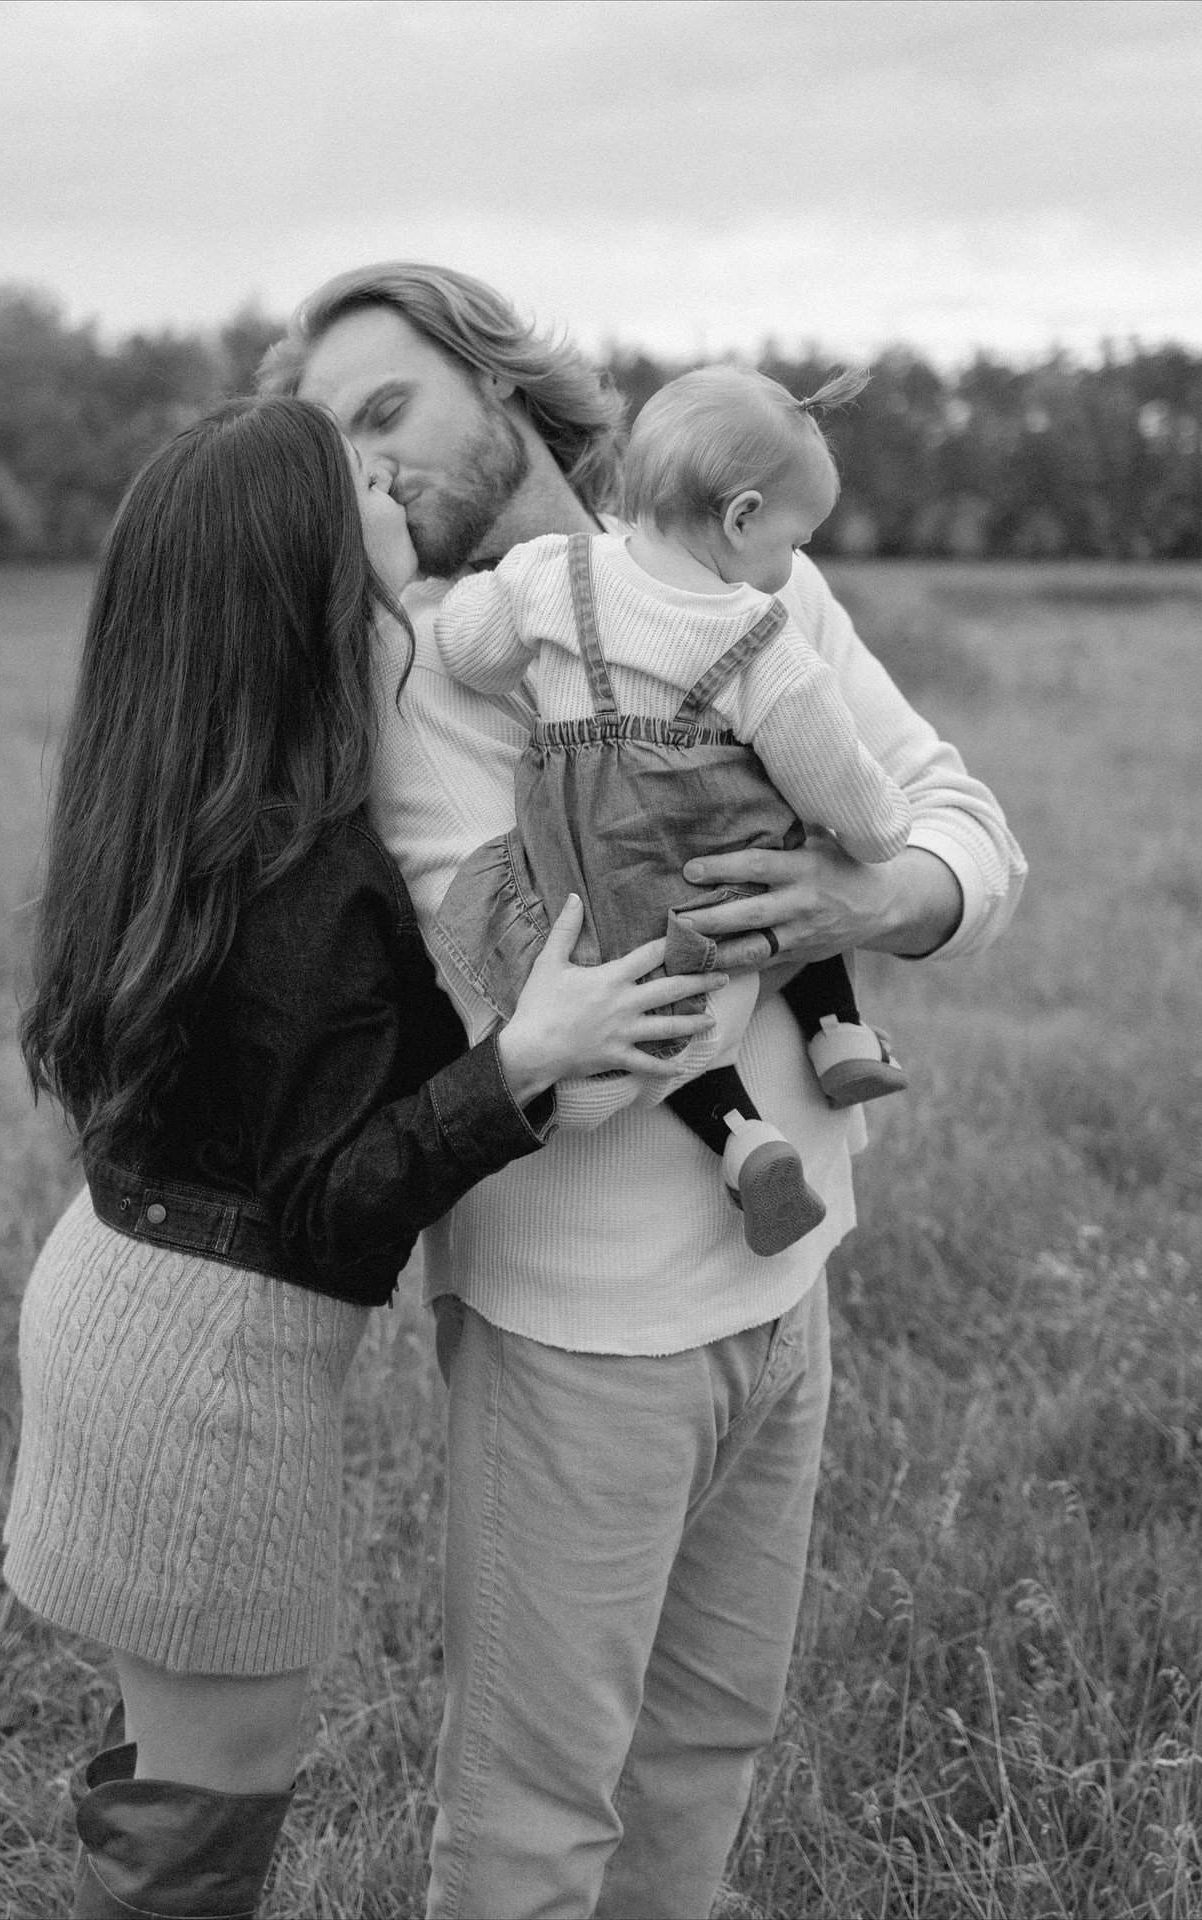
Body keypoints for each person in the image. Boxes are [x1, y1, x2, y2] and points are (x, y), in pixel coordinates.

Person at [261, 262, 1027, 1920]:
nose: (370, 467)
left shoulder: (747, 568)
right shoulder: (416, 687)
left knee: (709, 1754)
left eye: (388, 410)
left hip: (789, 1288)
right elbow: (548, 1050)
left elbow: (962, 821)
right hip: (576, 1340)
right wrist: (738, 904)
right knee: (539, 1818)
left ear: (500, 378)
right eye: (336, 448)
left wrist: (868, 901)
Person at [1, 394, 726, 1919]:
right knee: (202, 1816)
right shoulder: (307, 866)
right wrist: (523, 1062)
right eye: (363, 487)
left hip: (116, 1298)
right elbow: (330, 1209)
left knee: (167, 1758)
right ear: (308, 567)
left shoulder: (185, 794)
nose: (393, 489)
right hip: (209, 1365)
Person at [430, 360, 915, 1257]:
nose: (795, 563)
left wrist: (465, 592)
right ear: (742, 518)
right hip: (717, 877)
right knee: (795, 853)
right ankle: (838, 1031)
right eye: (796, 541)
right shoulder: (758, 640)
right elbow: (843, 788)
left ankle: (746, 1142)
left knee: (670, 1016)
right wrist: (886, 832)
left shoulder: (551, 570)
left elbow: (467, 653)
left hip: (598, 887)